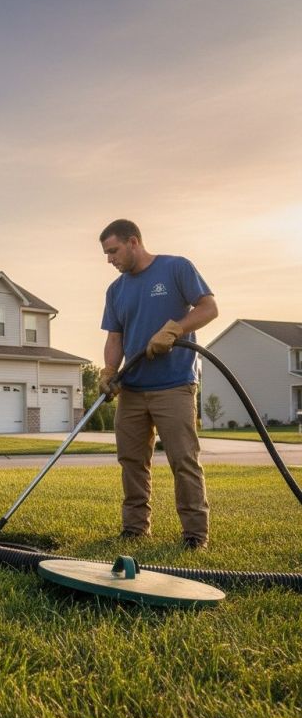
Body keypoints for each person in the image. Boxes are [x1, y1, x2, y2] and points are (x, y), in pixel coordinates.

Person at [98, 219, 218, 549]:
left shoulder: (176, 268)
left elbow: (209, 307)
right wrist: (109, 369)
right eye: (106, 254)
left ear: (133, 241)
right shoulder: (116, 290)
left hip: (174, 384)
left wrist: (175, 330)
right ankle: (135, 528)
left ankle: (195, 534)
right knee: (132, 461)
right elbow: (115, 336)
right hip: (133, 388)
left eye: (113, 251)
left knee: (183, 460)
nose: (110, 260)